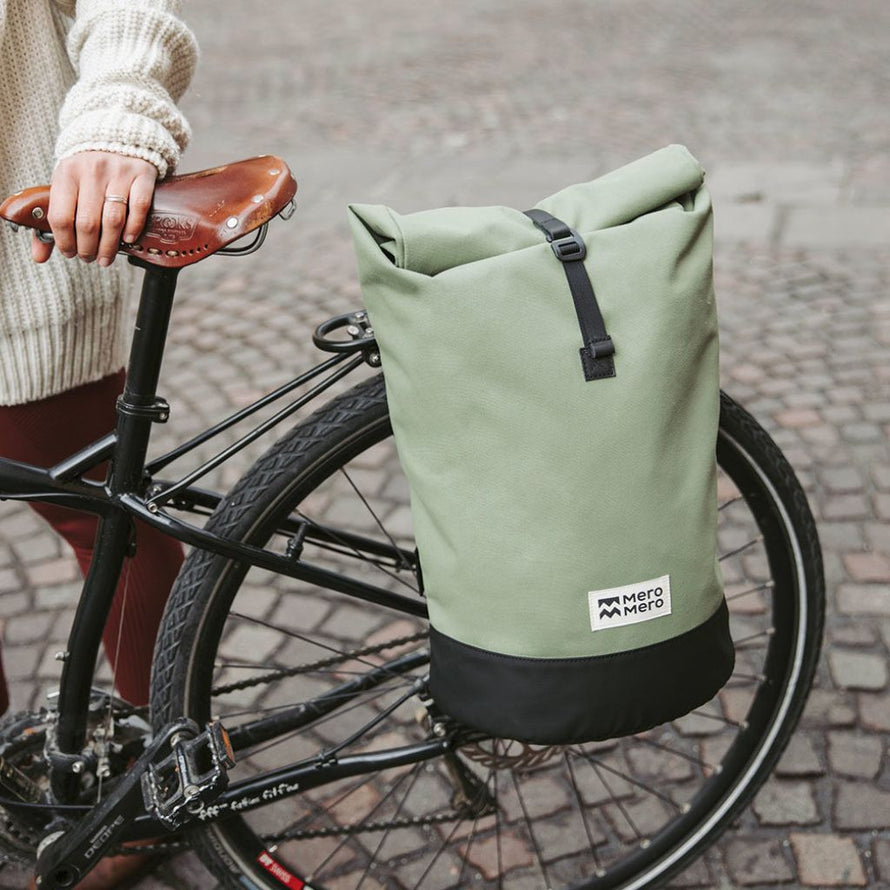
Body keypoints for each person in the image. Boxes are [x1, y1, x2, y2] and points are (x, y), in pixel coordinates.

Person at [0, 1, 198, 885]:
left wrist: (117, 113)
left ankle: (167, 764)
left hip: (22, 291)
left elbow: (125, 11)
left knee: (102, 525)